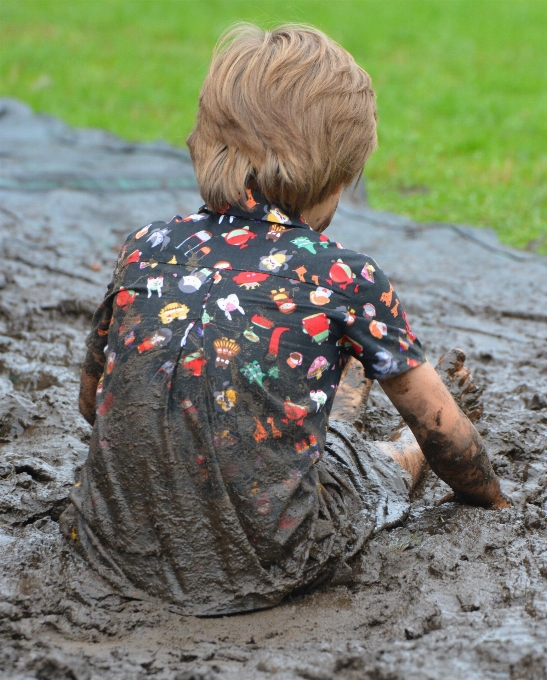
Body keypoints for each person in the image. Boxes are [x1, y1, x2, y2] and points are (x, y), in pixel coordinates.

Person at [61, 23, 509, 616]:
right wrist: (493, 499)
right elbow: (445, 435)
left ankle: (341, 396)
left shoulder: (144, 246)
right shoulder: (344, 277)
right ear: (335, 177)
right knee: (370, 472)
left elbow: (93, 403)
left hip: (110, 545)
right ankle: (370, 426)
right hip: (266, 561)